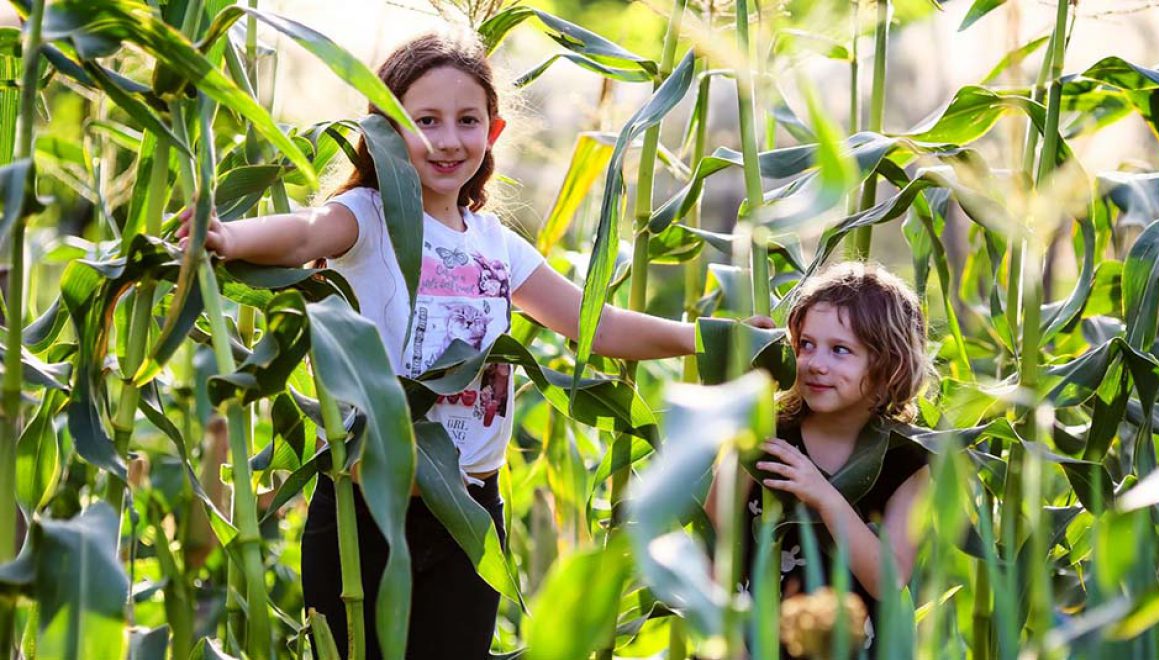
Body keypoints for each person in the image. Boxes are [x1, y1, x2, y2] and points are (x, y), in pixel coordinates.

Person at [178, 29, 767, 660]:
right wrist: (230, 237)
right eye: (423, 119)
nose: (447, 139)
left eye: (467, 120)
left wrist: (712, 340)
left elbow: (598, 325)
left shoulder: (496, 245)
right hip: (364, 510)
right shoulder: (367, 218)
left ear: (493, 131)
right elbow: (303, 234)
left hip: (469, 512)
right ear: (384, 130)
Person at [716, 261, 932, 657]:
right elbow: (718, 523)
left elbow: (890, 579)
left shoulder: (907, 461)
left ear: (890, 365)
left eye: (840, 350)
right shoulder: (769, 431)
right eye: (806, 345)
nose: (815, 363)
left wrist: (823, 495)